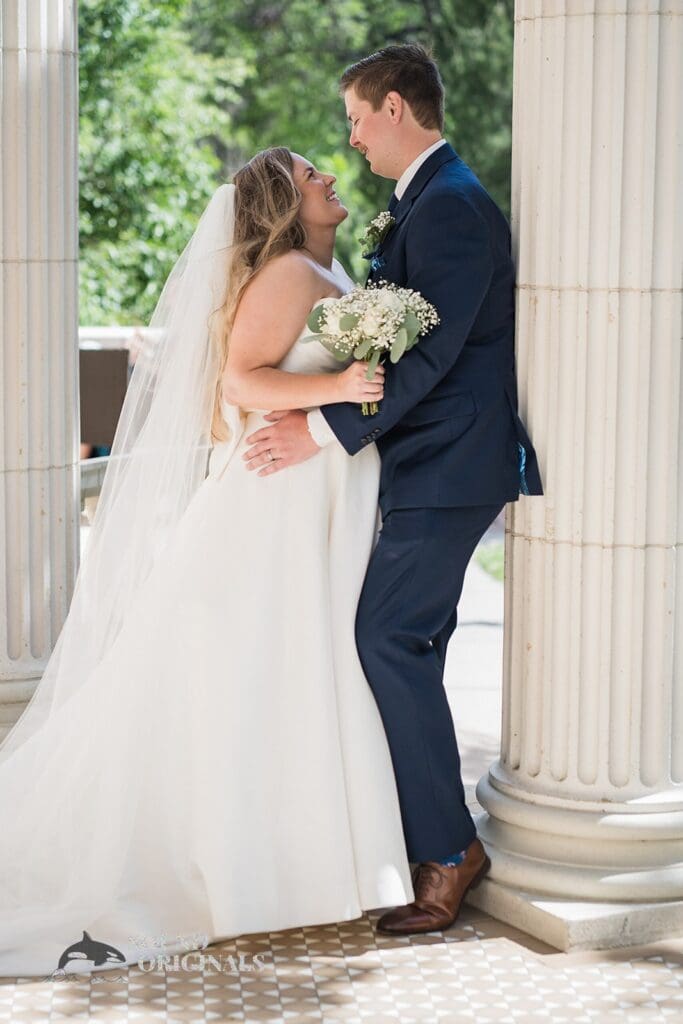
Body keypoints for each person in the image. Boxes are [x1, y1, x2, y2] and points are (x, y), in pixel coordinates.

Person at [0, 147, 413, 978]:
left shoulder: (318, 272)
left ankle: (304, 862)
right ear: (285, 205)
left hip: (312, 498)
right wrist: (339, 389)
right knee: (268, 669)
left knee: (302, 668)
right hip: (273, 509)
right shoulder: (292, 273)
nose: (329, 176)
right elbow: (240, 380)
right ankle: (253, 871)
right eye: (309, 175)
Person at [243, 44, 544, 935]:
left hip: (449, 465)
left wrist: (325, 430)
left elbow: (436, 355)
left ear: (396, 109)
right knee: (400, 643)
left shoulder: (449, 205)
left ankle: (450, 853)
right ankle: (424, 838)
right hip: (422, 464)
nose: (350, 136)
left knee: (386, 639)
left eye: (355, 116)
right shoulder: (420, 201)